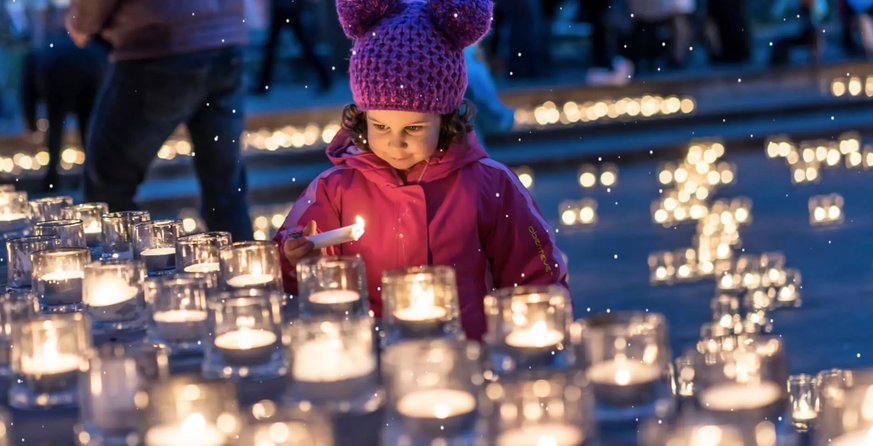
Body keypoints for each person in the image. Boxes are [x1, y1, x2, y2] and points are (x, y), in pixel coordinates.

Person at [274, 0, 569, 341]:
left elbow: (536, 273)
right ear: (361, 118)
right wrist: (294, 259)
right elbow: (288, 271)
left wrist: (535, 336)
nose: (395, 143)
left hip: (467, 357)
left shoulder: (489, 185)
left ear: (445, 119)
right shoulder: (336, 189)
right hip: (374, 357)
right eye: (380, 126)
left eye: (413, 128)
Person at [66, 0, 254, 241]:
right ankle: (245, 267)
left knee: (106, 188)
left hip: (158, 43)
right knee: (225, 190)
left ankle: (121, 272)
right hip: (225, 39)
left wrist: (82, 23)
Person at [20, 36, 107, 191]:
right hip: (91, 65)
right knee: (88, 128)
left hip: (58, 72)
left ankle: (51, 179)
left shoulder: (35, 56)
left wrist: (31, 124)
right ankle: (91, 180)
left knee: (55, 126)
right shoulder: (81, 48)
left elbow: (27, 94)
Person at [253, 0, 333, 95]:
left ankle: (262, 86)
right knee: (302, 45)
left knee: (273, 49)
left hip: (285, 8)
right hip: (288, 7)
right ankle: (325, 78)